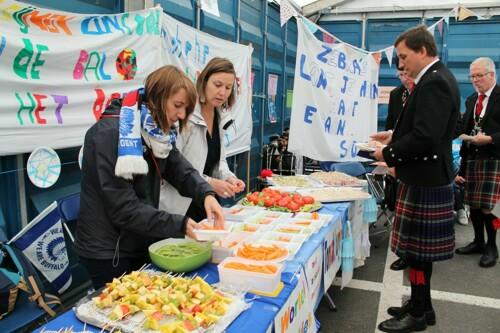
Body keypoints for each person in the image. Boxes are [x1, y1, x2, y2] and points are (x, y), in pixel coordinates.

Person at [75, 65, 224, 289]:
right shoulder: (109, 134)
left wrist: (205, 195)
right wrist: (179, 224)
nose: (181, 115)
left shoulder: (154, 129)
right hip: (108, 250)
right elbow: (123, 207)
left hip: (137, 240)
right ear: (156, 97)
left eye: (186, 108)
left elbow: (178, 167)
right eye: (177, 106)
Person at [371, 25, 460, 332]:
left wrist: (388, 154)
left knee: (418, 255)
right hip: (426, 177)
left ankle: (419, 313)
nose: (401, 63)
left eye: (404, 56)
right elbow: (423, 127)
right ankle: (423, 304)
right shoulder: (433, 78)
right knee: (417, 254)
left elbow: (426, 136)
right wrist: (393, 135)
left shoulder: (434, 82)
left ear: (423, 51)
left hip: (426, 179)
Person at [160, 58, 245, 220]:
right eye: (217, 85)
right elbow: (171, 166)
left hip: (207, 201)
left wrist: (229, 178)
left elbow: (218, 161)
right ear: (203, 81)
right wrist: (210, 182)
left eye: (228, 87)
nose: (222, 93)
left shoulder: (220, 116)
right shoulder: (185, 114)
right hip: (180, 205)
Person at [454, 57, 500, 268]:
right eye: (472, 76)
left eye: (478, 75)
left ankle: (492, 246)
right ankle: (478, 242)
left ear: (492, 74)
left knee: (487, 208)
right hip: (472, 158)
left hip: (493, 158)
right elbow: (463, 127)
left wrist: (490, 139)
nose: (474, 80)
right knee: (472, 204)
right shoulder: (472, 99)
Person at [386, 68, 415, 272]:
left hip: (416, 161)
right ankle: (404, 253)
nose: (404, 78)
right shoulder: (396, 94)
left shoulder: (425, 91)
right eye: (400, 75)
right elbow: (391, 124)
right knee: (399, 207)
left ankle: (415, 254)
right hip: (397, 158)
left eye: (406, 73)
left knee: (415, 215)